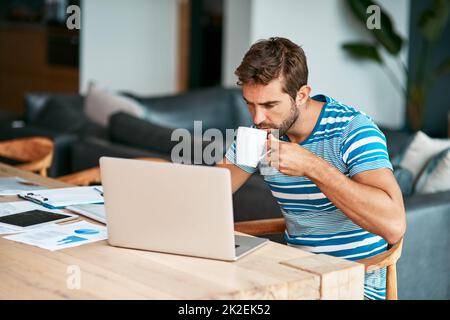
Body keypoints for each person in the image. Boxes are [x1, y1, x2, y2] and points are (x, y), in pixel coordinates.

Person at [217, 37, 406, 300]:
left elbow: (394, 225)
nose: (257, 118)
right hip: (297, 277)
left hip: (356, 283)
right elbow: (212, 193)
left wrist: (311, 166)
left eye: (270, 105)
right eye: (250, 104)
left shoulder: (352, 130)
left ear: (302, 95)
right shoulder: (258, 132)